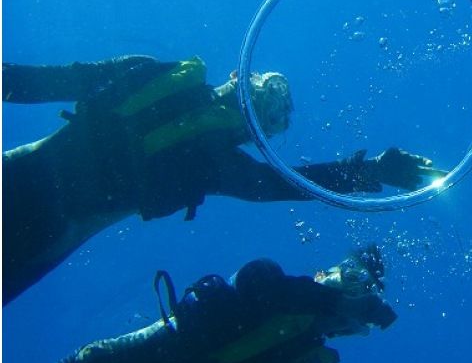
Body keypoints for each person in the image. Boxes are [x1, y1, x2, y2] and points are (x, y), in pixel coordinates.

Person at [3, 55, 440, 304]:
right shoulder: (150, 72)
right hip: (23, 173)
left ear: (256, 137)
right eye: (268, 91)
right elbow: (46, 81)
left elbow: (283, 184)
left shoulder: (217, 163)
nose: (263, 108)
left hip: (52, 233)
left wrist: (370, 171)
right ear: (239, 75)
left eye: (270, 119)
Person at [3, 245, 397, 363]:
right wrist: (334, 302)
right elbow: (258, 285)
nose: (354, 298)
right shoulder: (270, 280)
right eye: (351, 280)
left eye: (364, 300)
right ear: (323, 275)